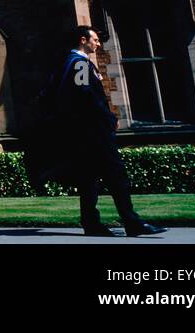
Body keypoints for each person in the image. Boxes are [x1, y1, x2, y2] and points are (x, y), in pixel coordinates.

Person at [56, 26, 167, 238]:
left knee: (89, 179)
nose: (98, 43)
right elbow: (84, 95)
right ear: (83, 40)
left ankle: (92, 224)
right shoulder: (78, 63)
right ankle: (131, 222)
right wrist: (108, 117)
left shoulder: (74, 63)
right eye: (95, 40)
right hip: (94, 133)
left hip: (86, 134)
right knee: (117, 176)